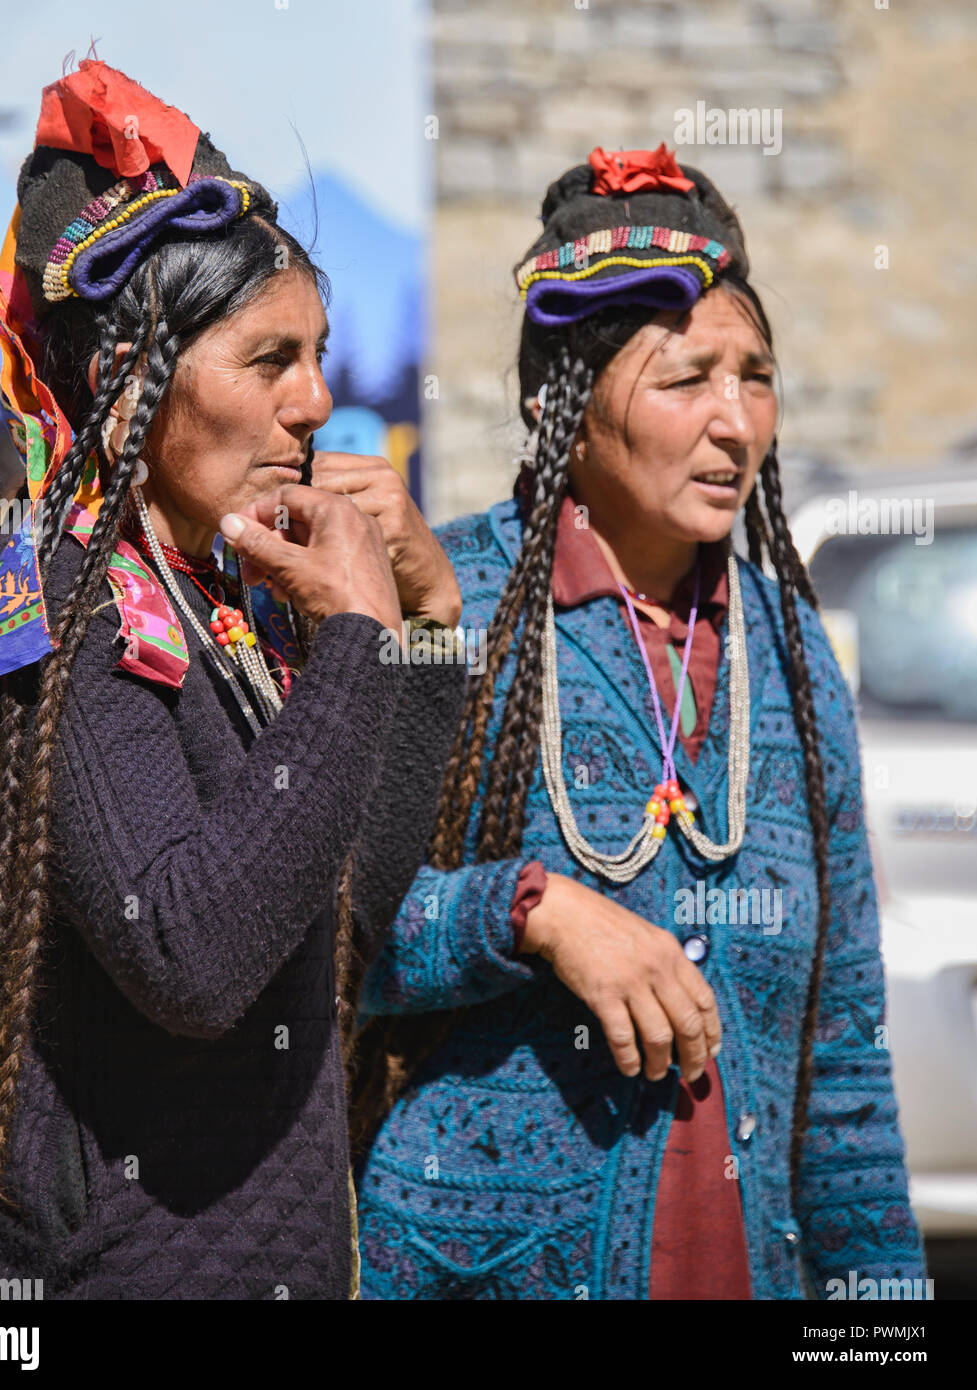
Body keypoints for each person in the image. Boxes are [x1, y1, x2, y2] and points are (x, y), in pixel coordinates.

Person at [0, 58, 464, 1301]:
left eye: (318, 354)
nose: (317, 402)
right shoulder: (55, 603)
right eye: (268, 360)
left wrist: (424, 627)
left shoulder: (226, 603)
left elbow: (346, 916)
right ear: (128, 379)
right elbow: (192, 958)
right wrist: (355, 647)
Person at [350, 144, 926, 1300]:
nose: (735, 421)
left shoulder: (793, 656)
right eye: (686, 380)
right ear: (559, 402)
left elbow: (844, 1053)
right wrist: (532, 912)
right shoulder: (442, 602)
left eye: (755, 376)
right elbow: (331, 934)